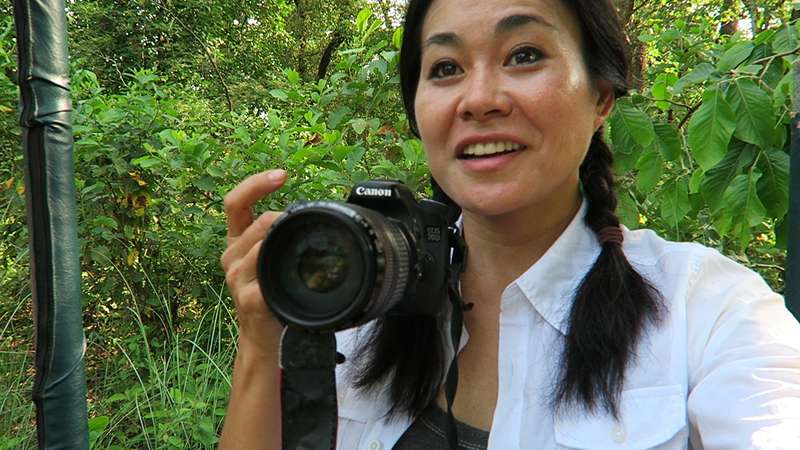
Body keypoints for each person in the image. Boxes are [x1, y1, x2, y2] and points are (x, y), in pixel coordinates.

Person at [219, 0, 800, 448]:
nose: (479, 99)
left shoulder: (709, 311)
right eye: (444, 67)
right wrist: (261, 335)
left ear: (601, 96)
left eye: (524, 55)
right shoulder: (359, 300)